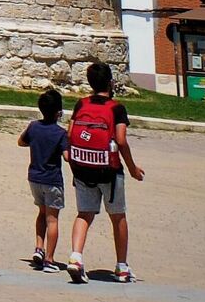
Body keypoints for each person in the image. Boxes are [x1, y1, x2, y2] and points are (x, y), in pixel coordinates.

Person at [65, 60, 145, 284]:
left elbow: (70, 132)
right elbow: (120, 140)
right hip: (108, 170)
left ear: (90, 83)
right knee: (118, 217)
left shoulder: (81, 104)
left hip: (82, 167)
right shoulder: (117, 108)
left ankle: (76, 257)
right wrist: (132, 167)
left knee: (84, 214)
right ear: (110, 82)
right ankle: (121, 266)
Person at [18, 88, 69, 272]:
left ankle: (39, 248)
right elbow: (67, 156)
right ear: (59, 112)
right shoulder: (60, 133)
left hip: (35, 178)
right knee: (52, 219)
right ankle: (49, 259)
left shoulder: (33, 127)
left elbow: (21, 142)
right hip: (52, 180)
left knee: (41, 213)